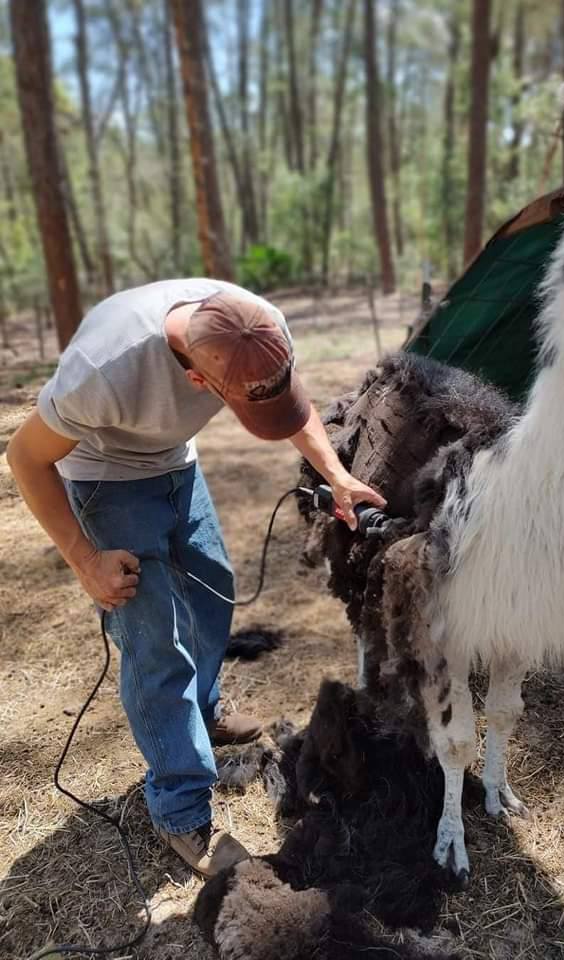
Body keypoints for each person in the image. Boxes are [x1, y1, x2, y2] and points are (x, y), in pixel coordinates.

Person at [7, 278, 385, 877]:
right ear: (197, 382)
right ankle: (179, 806)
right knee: (156, 638)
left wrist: (336, 475)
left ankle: (200, 715)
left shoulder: (257, 323)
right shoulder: (104, 370)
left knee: (214, 590)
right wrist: (86, 560)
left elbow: (295, 406)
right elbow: (26, 458)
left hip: (176, 461)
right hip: (107, 475)